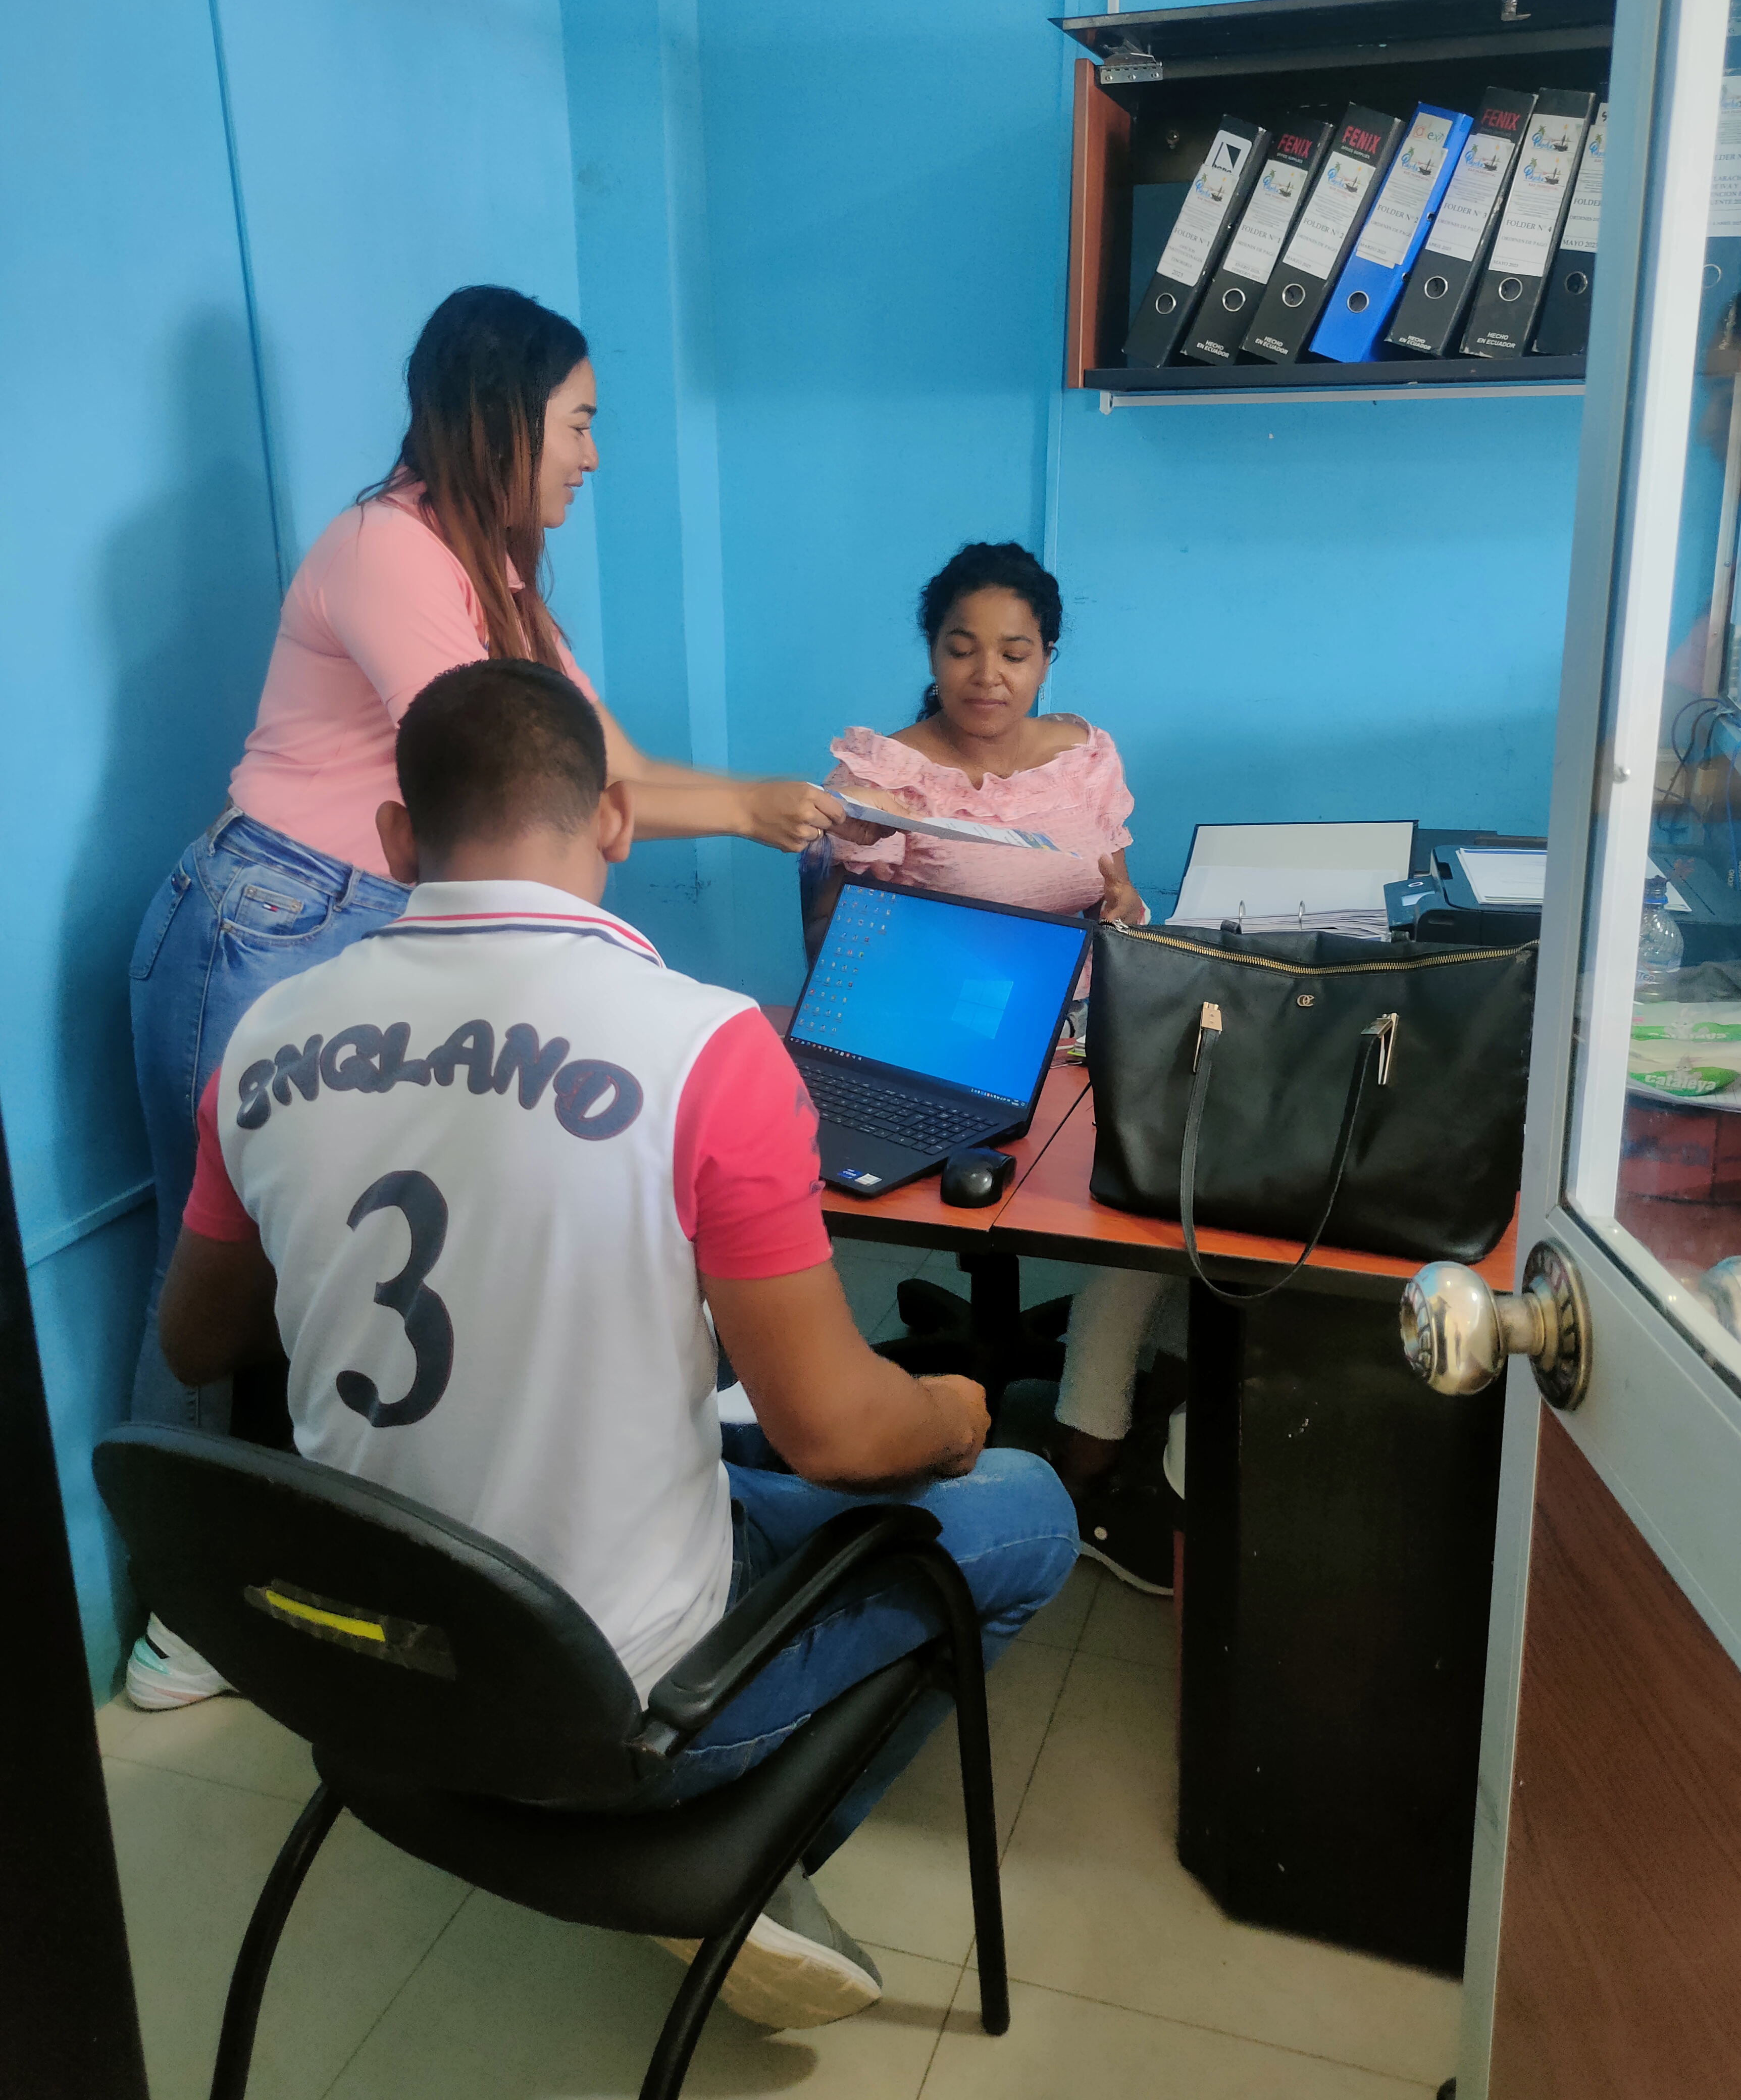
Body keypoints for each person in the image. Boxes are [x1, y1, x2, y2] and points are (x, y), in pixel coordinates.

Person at [156, 659, 1076, 2030]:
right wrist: (952, 1411)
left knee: (730, 1442)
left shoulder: (260, 1040)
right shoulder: (705, 1048)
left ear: (398, 840)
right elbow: (836, 1434)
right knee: (1024, 1509)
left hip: (362, 1672)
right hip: (607, 1704)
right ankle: (748, 1869)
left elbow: (195, 1342)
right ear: (619, 822)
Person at [126, 285, 845, 1709]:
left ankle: (384, 1578)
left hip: (387, 918)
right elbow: (502, 778)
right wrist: (736, 809)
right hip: (268, 920)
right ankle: (189, 1610)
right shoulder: (385, 550)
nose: (593, 455)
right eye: (578, 424)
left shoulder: (498, 581)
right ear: (500, 417)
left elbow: (598, 767)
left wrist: (770, 804)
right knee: (204, 1278)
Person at [823, 541, 1185, 1593]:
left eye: (1016, 653)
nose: (988, 675)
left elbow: (1116, 886)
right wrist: (852, 843)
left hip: (1081, 1033)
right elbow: (845, 947)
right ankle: (1083, 1446)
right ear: (931, 650)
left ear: (1047, 657)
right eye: (962, 648)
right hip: (944, 1045)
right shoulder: (883, 776)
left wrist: (1126, 907)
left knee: (1154, 1185)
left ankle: (1098, 1423)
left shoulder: (1083, 755)